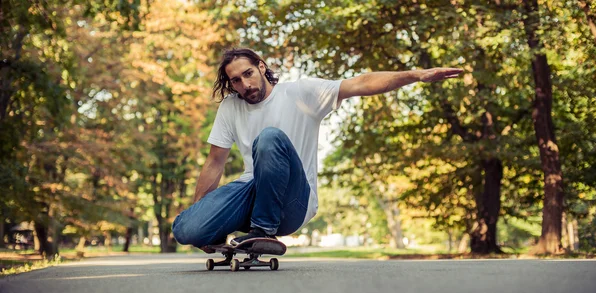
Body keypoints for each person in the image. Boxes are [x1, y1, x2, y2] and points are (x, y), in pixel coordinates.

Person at [171, 48, 462, 251]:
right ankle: (240, 228)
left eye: (248, 74)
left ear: (261, 66)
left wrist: (416, 75)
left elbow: (360, 83)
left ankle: (263, 229)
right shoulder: (231, 107)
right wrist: (204, 216)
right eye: (236, 80)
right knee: (186, 229)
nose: (245, 85)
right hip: (252, 191)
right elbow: (214, 163)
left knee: (270, 138)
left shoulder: (301, 93)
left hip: (294, 200)